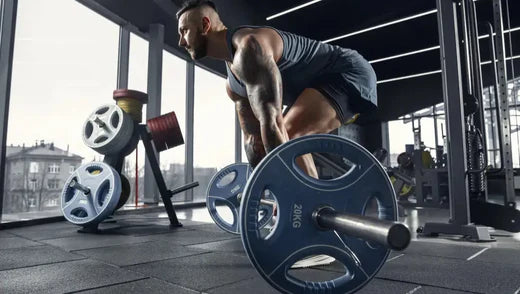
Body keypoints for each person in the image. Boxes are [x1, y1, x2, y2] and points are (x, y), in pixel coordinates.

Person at [176, 0, 378, 267]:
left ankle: (319, 236)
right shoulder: (232, 84)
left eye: (184, 31)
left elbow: (272, 124)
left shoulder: (250, 46)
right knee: (274, 143)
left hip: (349, 73)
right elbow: (254, 141)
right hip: (320, 85)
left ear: (204, 25)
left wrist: (287, 196)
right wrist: (268, 189)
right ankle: (311, 217)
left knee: (288, 138)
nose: (181, 41)